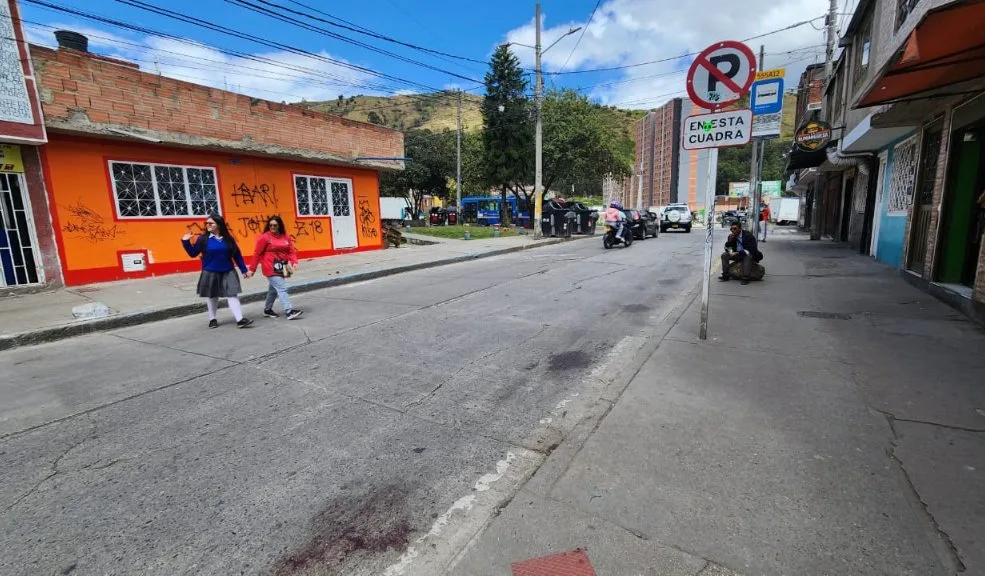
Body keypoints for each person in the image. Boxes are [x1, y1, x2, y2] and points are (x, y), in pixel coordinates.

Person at [182, 214, 253, 328]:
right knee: (212, 296)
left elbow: (237, 255)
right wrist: (185, 242)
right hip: (210, 271)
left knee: (232, 294)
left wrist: (243, 270)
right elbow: (193, 253)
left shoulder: (228, 239)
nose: (208, 225)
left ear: (219, 225)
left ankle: (240, 320)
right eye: (206, 223)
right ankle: (212, 319)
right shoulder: (203, 239)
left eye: (211, 223)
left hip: (228, 271)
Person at [246, 215, 303, 320]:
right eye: (270, 225)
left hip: (282, 267)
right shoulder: (265, 237)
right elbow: (257, 253)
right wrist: (252, 269)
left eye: (275, 225)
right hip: (270, 266)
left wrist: (294, 262)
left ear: (279, 225)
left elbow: (291, 251)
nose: (272, 227)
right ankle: (289, 311)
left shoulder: (286, 237)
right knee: (281, 287)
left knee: (273, 289)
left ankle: (267, 310)